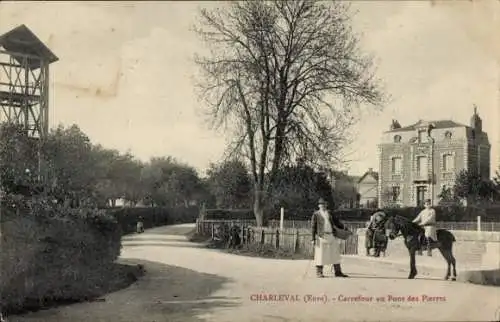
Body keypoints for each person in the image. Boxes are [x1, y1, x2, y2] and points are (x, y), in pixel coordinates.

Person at [311, 198, 348, 278]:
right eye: (321, 204)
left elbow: (337, 222)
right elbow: (313, 227)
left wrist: (344, 227)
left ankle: (338, 272)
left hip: (331, 235)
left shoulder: (329, 213)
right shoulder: (316, 214)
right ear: (319, 205)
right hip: (321, 236)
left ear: (326, 205)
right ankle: (319, 272)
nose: (323, 206)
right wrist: (313, 239)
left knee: (335, 254)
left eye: (324, 204)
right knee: (320, 255)